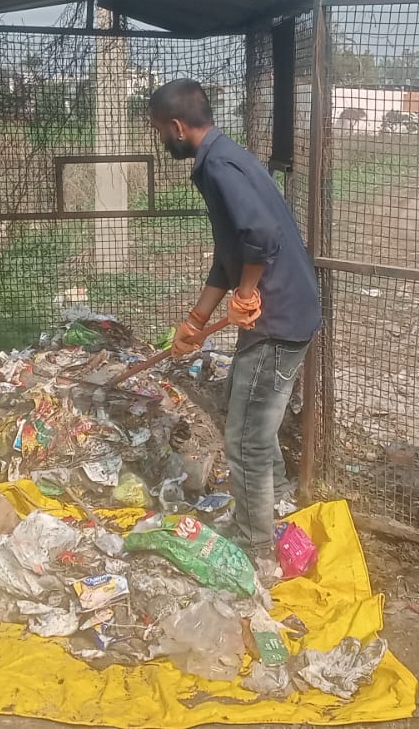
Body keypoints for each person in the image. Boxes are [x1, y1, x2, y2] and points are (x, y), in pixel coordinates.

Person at [148, 78, 322, 574]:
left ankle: (254, 546)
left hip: (277, 319)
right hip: (285, 310)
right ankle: (275, 500)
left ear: (176, 127)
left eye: (159, 131)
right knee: (254, 424)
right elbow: (233, 254)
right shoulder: (228, 156)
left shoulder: (218, 166)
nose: (162, 140)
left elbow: (260, 237)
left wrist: (246, 292)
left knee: (245, 438)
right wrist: (196, 320)